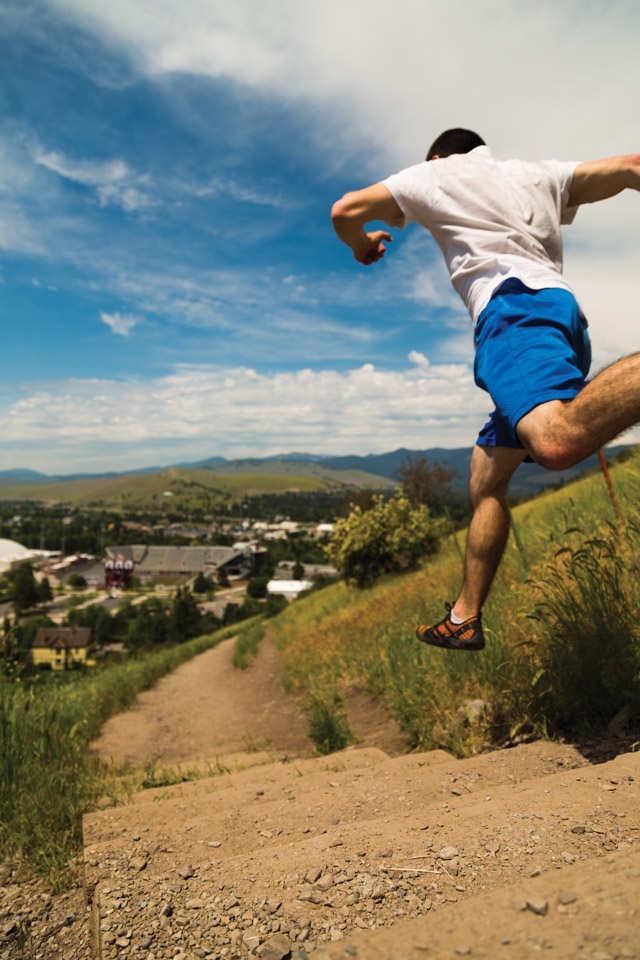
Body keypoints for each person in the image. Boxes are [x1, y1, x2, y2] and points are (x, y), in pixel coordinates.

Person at [331, 128, 640, 651]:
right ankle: (464, 616)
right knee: (485, 477)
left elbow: (345, 211)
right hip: (561, 315)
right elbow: (632, 166)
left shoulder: (434, 173)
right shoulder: (537, 172)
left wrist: (364, 246)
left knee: (556, 440)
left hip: (514, 314)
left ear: (435, 156)